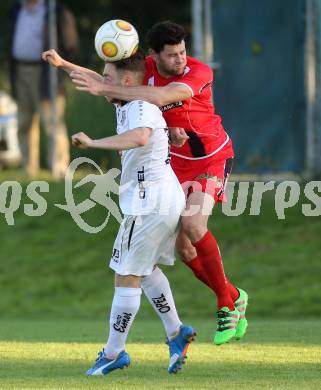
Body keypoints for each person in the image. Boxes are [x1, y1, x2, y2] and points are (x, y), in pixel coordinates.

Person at [42, 21, 248, 346]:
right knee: (183, 249)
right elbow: (108, 81)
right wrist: (64, 64)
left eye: (182, 52)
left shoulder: (198, 72)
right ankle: (234, 294)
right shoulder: (147, 68)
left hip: (211, 159)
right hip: (177, 165)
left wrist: (107, 90)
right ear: (154, 55)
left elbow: (161, 95)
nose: (180, 59)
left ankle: (225, 304)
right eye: (172, 55)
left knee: (194, 225)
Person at [70, 50, 196, 376]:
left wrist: (93, 142)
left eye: (107, 78)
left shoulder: (139, 106)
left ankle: (114, 352)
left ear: (127, 82)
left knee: (126, 275)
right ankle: (176, 331)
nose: (101, 83)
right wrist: (62, 63)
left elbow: (140, 137)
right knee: (145, 269)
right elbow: (99, 82)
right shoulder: (128, 104)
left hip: (149, 202)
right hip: (159, 200)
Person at [9, 0, 78, 178]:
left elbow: (70, 42)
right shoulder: (17, 8)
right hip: (20, 70)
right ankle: (28, 169)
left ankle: (59, 170)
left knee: (52, 121)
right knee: (24, 122)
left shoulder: (54, 9)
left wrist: (62, 71)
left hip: (47, 72)